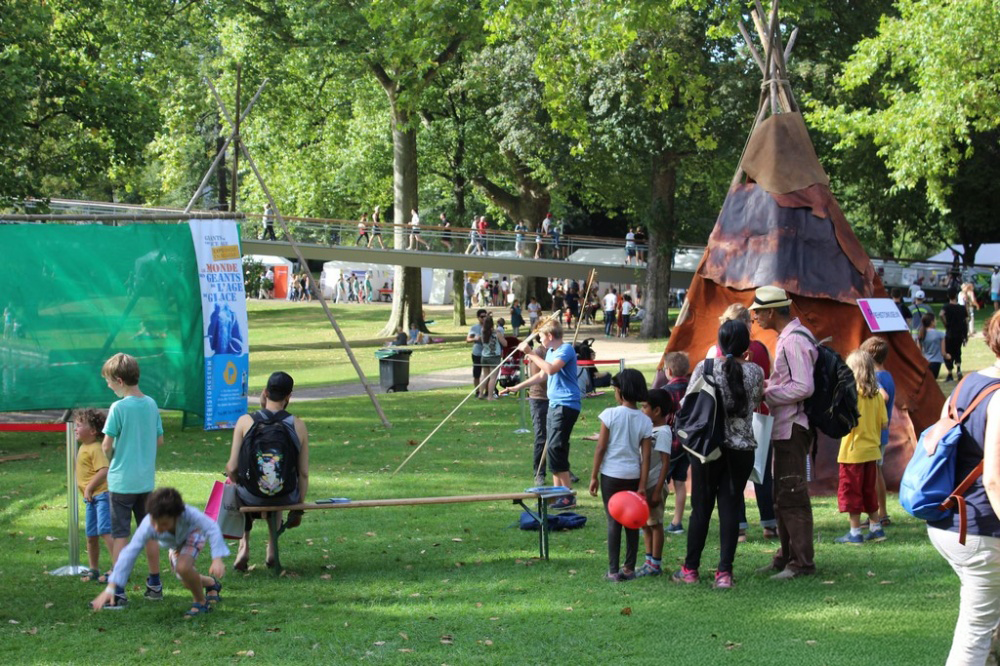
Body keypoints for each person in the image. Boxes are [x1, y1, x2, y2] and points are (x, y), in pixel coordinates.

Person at [928, 311, 1000, 664]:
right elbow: (994, 480)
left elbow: (934, 441)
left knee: (988, 617)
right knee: (975, 631)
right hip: (979, 531)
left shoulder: (967, 383)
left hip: (948, 522)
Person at [673, 320, 764, 589]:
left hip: (707, 449)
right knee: (730, 508)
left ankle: (690, 569)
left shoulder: (706, 366)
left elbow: (687, 403)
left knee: (701, 508)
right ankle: (724, 573)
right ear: (746, 345)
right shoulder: (756, 372)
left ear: (720, 342)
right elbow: (757, 401)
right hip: (742, 449)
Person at [749, 286, 818, 580]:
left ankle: (801, 563)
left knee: (792, 494)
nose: (754, 316)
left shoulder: (792, 342)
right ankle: (786, 556)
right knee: (782, 495)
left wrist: (767, 393)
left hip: (793, 426)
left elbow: (804, 386)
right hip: (786, 426)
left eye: (758, 311)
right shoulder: (792, 337)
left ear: (771, 311)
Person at [90, 488, 227, 616]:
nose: (157, 528)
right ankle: (211, 584)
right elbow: (129, 553)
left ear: (177, 516)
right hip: (174, 544)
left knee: (183, 568)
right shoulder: (148, 525)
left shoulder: (188, 513)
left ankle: (201, 602)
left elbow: (212, 528)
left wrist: (217, 559)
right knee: (187, 581)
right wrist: (111, 587)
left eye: (164, 524)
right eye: (155, 522)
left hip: (192, 535)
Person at [706, 304, 777, 542]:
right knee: (763, 472)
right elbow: (770, 379)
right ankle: (769, 523)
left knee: (731, 478)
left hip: (724, 422)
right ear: (747, 324)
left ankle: (740, 527)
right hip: (759, 412)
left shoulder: (714, 352)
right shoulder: (761, 349)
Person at [225, 371, 309, 571]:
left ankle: (244, 544)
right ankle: (272, 546)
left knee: (237, 485)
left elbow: (232, 467)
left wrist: (237, 480)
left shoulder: (245, 421)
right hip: (286, 497)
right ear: (289, 397)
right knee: (278, 482)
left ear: (265, 392)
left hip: (250, 497)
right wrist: (298, 508)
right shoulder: (298, 425)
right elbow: (303, 473)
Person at [100, 352, 164, 606]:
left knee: (120, 535)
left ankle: (117, 591)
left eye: (108, 381)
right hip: (145, 481)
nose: (108, 385)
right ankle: (155, 584)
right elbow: (159, 439)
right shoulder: (151, 404)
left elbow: (106, 445)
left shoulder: (118, 408)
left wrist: (116, 457)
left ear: (118, 379)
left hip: (122, 482)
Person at [503, 320, 582, 509]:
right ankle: (557, 495)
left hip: (566, 404)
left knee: (556, 447)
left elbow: (550, 369)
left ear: (550, 336)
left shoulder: (566, 349)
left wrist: (530, 353)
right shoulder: (551, 352)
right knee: (552, 447)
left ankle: (567, 496)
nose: (539, 340)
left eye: (540, 336)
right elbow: (541, 376)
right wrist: (517, 387)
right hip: (555, 405)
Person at [588, 370, 653, 582]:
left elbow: (600, 447)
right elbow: (646, 456)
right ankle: (629, 568)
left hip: (611, 476)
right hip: (632, 476)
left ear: (620, 392)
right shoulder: (645, 421)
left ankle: (613, 571)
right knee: (632, 522)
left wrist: (594, 476)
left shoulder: (610, 414)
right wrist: (642, 484)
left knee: (613, 521)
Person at [833, 350, 889, 545]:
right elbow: (884, 423)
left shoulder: (850, 395)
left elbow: (840, 421)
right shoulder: (877, 396)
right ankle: (876, 528)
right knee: (868, 490)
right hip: (872, 450)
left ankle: (855, 531)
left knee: (851, 491)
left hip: (852, 452)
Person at [636, 388, 674, 577]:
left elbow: (665, 463)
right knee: (645, 523)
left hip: (655, 485)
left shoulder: (664, 432)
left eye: (644, 407)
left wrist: (658, 490)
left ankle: (655, 564)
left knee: (655, 523)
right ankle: (648, 560)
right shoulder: (649, 429)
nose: (642, 410)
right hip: (645, 485)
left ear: (657, 411)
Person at [503, 340, 551, 486]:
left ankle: (562, 469)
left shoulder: (557, 351)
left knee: (557, 436)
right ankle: (539, 473)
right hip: (540, 399)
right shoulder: (538, 353)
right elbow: (540, 379)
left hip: (555, 399)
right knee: (541, 436)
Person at [75, 409, 114, 584]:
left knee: (105, 531)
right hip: (91, 498)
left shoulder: (96, 448)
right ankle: (93, 569)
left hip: (101, 497)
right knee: (91, 535)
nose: (76, 428)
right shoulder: (83, 447)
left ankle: (118, 568)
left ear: (92, 431)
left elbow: (104, 470)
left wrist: (89, 488)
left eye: (79, 425)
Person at [860, 336, 895, 528]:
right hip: (882, 433)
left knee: (873, 474)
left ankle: (879, 514)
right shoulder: (888, 375)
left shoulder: (876, 378)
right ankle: (882, 513)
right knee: (877, 472)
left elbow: (883, 396)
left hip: (875, 433)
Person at [656, 352, 691, 535]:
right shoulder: (693, 389)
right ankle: (677, 522)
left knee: (660, 482)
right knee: (680, 482)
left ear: (668, 371)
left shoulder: (665, 392)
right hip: (688, 443)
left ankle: (655, 519)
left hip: (669, 444)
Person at [942, 287, 969, 381]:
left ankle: (950, 373)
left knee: (948, 352)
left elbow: (941, 314)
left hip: (950, 333)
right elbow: (966, 321)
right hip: (959, 334)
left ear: (948, 296)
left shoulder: (946, 307)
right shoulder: (962, 308)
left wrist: (945, 324)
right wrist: (966, 335)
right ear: (956, 296)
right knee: (958, 352)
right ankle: (958, 370)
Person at [478, 315, 507, 401]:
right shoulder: (496, 333)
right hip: (494, 357)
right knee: (493, 377)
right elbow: (505, 344)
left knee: (485, 376)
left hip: (484, 356)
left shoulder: (482, 332)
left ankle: (480, 394)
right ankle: (490, 396)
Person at [919, 312, 949, 379]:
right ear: (932, 322)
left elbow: (919, 351)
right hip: (936, 361)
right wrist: (947, 356)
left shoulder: (921, 334)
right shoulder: (940, 334)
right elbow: (943, 352)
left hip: (925, 361)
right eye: (935, 320)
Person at [466, 309, 489, 398]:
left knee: (488, 373)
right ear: (478, 318)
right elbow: (468, 339)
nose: (483, 318)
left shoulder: (489, 327)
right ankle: (477, 391)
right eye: (482, 317)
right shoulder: (474, 328)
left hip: (487, 353)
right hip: (477, 353)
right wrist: (475, 339)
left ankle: (488, 391)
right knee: (477, 373)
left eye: (485, 316)